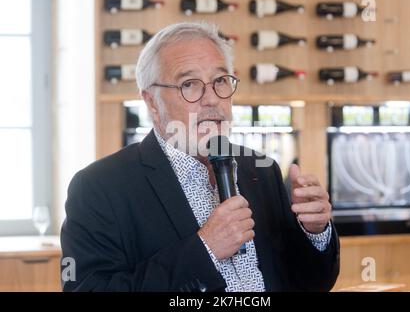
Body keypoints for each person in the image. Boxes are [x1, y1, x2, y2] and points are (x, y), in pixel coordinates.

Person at [60, 22, 339, 292]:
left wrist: (315, 232)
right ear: (152, 103)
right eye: (190, 84)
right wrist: (205, 249)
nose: (212, 99)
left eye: (220, 80)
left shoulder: (261, 170)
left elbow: (311, 283)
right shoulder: (99, 188)